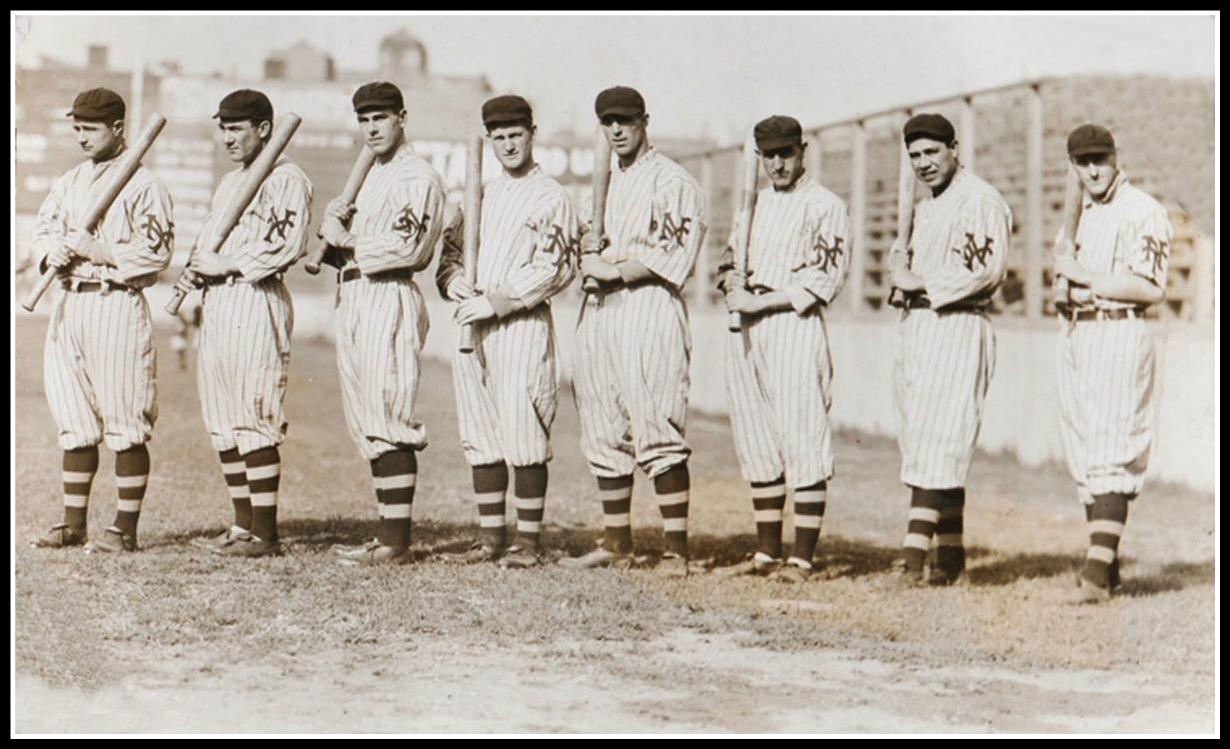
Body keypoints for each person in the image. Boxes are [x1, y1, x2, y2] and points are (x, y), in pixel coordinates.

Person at [559, 86, 708, 578]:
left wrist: (615, 266)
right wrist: (591, 252)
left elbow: (672, 258)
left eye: (625, 120)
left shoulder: (673, 180)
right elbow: (584, 248)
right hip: (600, 312)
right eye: (608, 122)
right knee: (602, 425)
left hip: (649, 309)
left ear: (646, 121)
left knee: (656, 422)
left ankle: (676, 550)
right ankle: (617, 542)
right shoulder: (599, 186)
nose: (617, 130)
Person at [435, 94, 580, 569]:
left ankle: (528, 542)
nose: (508, 145)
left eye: (515, 135)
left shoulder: (551, 195)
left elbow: (553, 268)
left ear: (532, 134)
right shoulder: (478, 194)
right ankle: (490, 537)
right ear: (489, 141)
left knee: (523, 431)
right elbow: (449, 258)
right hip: (471, 326)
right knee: (480, 432)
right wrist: (455, 283)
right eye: (498, 137)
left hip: (520, 322)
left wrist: (496, 302)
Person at [29, 87, 174, 554]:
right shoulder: (70, 180)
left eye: (90, 128)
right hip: (69, 302)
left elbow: (157, 256)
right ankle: (74, 525)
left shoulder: (144, 184)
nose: (81, 137)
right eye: (77, 128)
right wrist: (52, 249)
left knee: (125, 418)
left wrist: (100, 250)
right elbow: (45, 228)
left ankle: (123, 530)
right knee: (73, 419)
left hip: (116, 302)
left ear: (117, 128)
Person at [715, 116, 851, 583]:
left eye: (786, 154)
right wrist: (729, 280)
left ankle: (803, 558)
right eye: (769, 155)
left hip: (794, 324)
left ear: (803, 151)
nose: (777, 163)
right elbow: (730, 258)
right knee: (758, 441)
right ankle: (767, 553)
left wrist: (759, 299)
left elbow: (821, 281)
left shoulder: (826, 206)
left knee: (803, 438)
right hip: (749, 330)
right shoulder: (750, 206)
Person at [317, 81, 447, 567]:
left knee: (388, 414)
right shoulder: (370, 175)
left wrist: (346, 239)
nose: (371, 128)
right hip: (353, 294)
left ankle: (396, 543)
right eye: (364, 120)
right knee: (367, 419)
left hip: (388, 295)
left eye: (381, 118)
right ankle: (387, 534)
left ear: (401, 118)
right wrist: (332, 237)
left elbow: (407, 250)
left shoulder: (419, 177)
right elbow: (344, 252)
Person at [180, 89, 313, 559]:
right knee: (222, 418)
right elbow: (209, 246)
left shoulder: (287, 178)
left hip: (256, 298)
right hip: (219, 304)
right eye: (223, 128)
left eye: (237, 128)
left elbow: (286, 246)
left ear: (264, 129)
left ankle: (265, 533)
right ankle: (242, 526)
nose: (228, 138)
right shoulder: (229, 183)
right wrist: (200, 265)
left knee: (254, 415)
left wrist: (226, 263)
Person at [884, 113, 1012, 587]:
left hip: (958, 325)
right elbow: (912, 275)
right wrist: (901, 272)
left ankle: (913, 558)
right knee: (925, 442)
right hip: (919, 326)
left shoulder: (979, 200)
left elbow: (985, 272)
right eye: (914, 155)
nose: (923, 163)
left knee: (940, 442)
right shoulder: (926, 207)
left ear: (954, 148)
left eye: (932, 152)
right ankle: (951, 558)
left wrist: (917, 280)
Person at [1052, 124, 1172, 604]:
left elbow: (1152, 287)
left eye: (1100, 158)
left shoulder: (1143, 209)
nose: (1093, 169)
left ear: (1115, 157)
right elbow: (1068, 280)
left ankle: (1096, 575)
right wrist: (1065, 286)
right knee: (1085, 453)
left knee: (1111, 449)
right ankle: (1109, 570)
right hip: (1080, 332)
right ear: (1073, 165)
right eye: (1083, 162)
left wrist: (1084, 275)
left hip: (1120, 330)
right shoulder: (1077, 216)